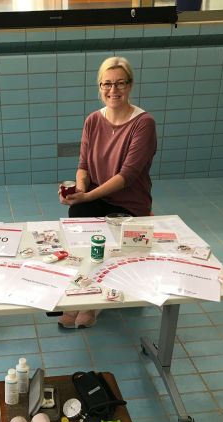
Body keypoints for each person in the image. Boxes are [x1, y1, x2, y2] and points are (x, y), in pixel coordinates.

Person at [58, 56, 157, 329]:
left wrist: (88, 195)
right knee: (77, 218)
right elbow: (83, 166)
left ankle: (93, 303)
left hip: (129, 201)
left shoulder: (143, 123)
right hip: (95, 195)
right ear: (99, 87)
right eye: (107, 84)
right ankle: (82, 292)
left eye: (120, 84)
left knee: (105, 241)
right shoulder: (92, 120)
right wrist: (78, 191)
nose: (113, 91)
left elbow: (127, 176)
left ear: (131, 85)